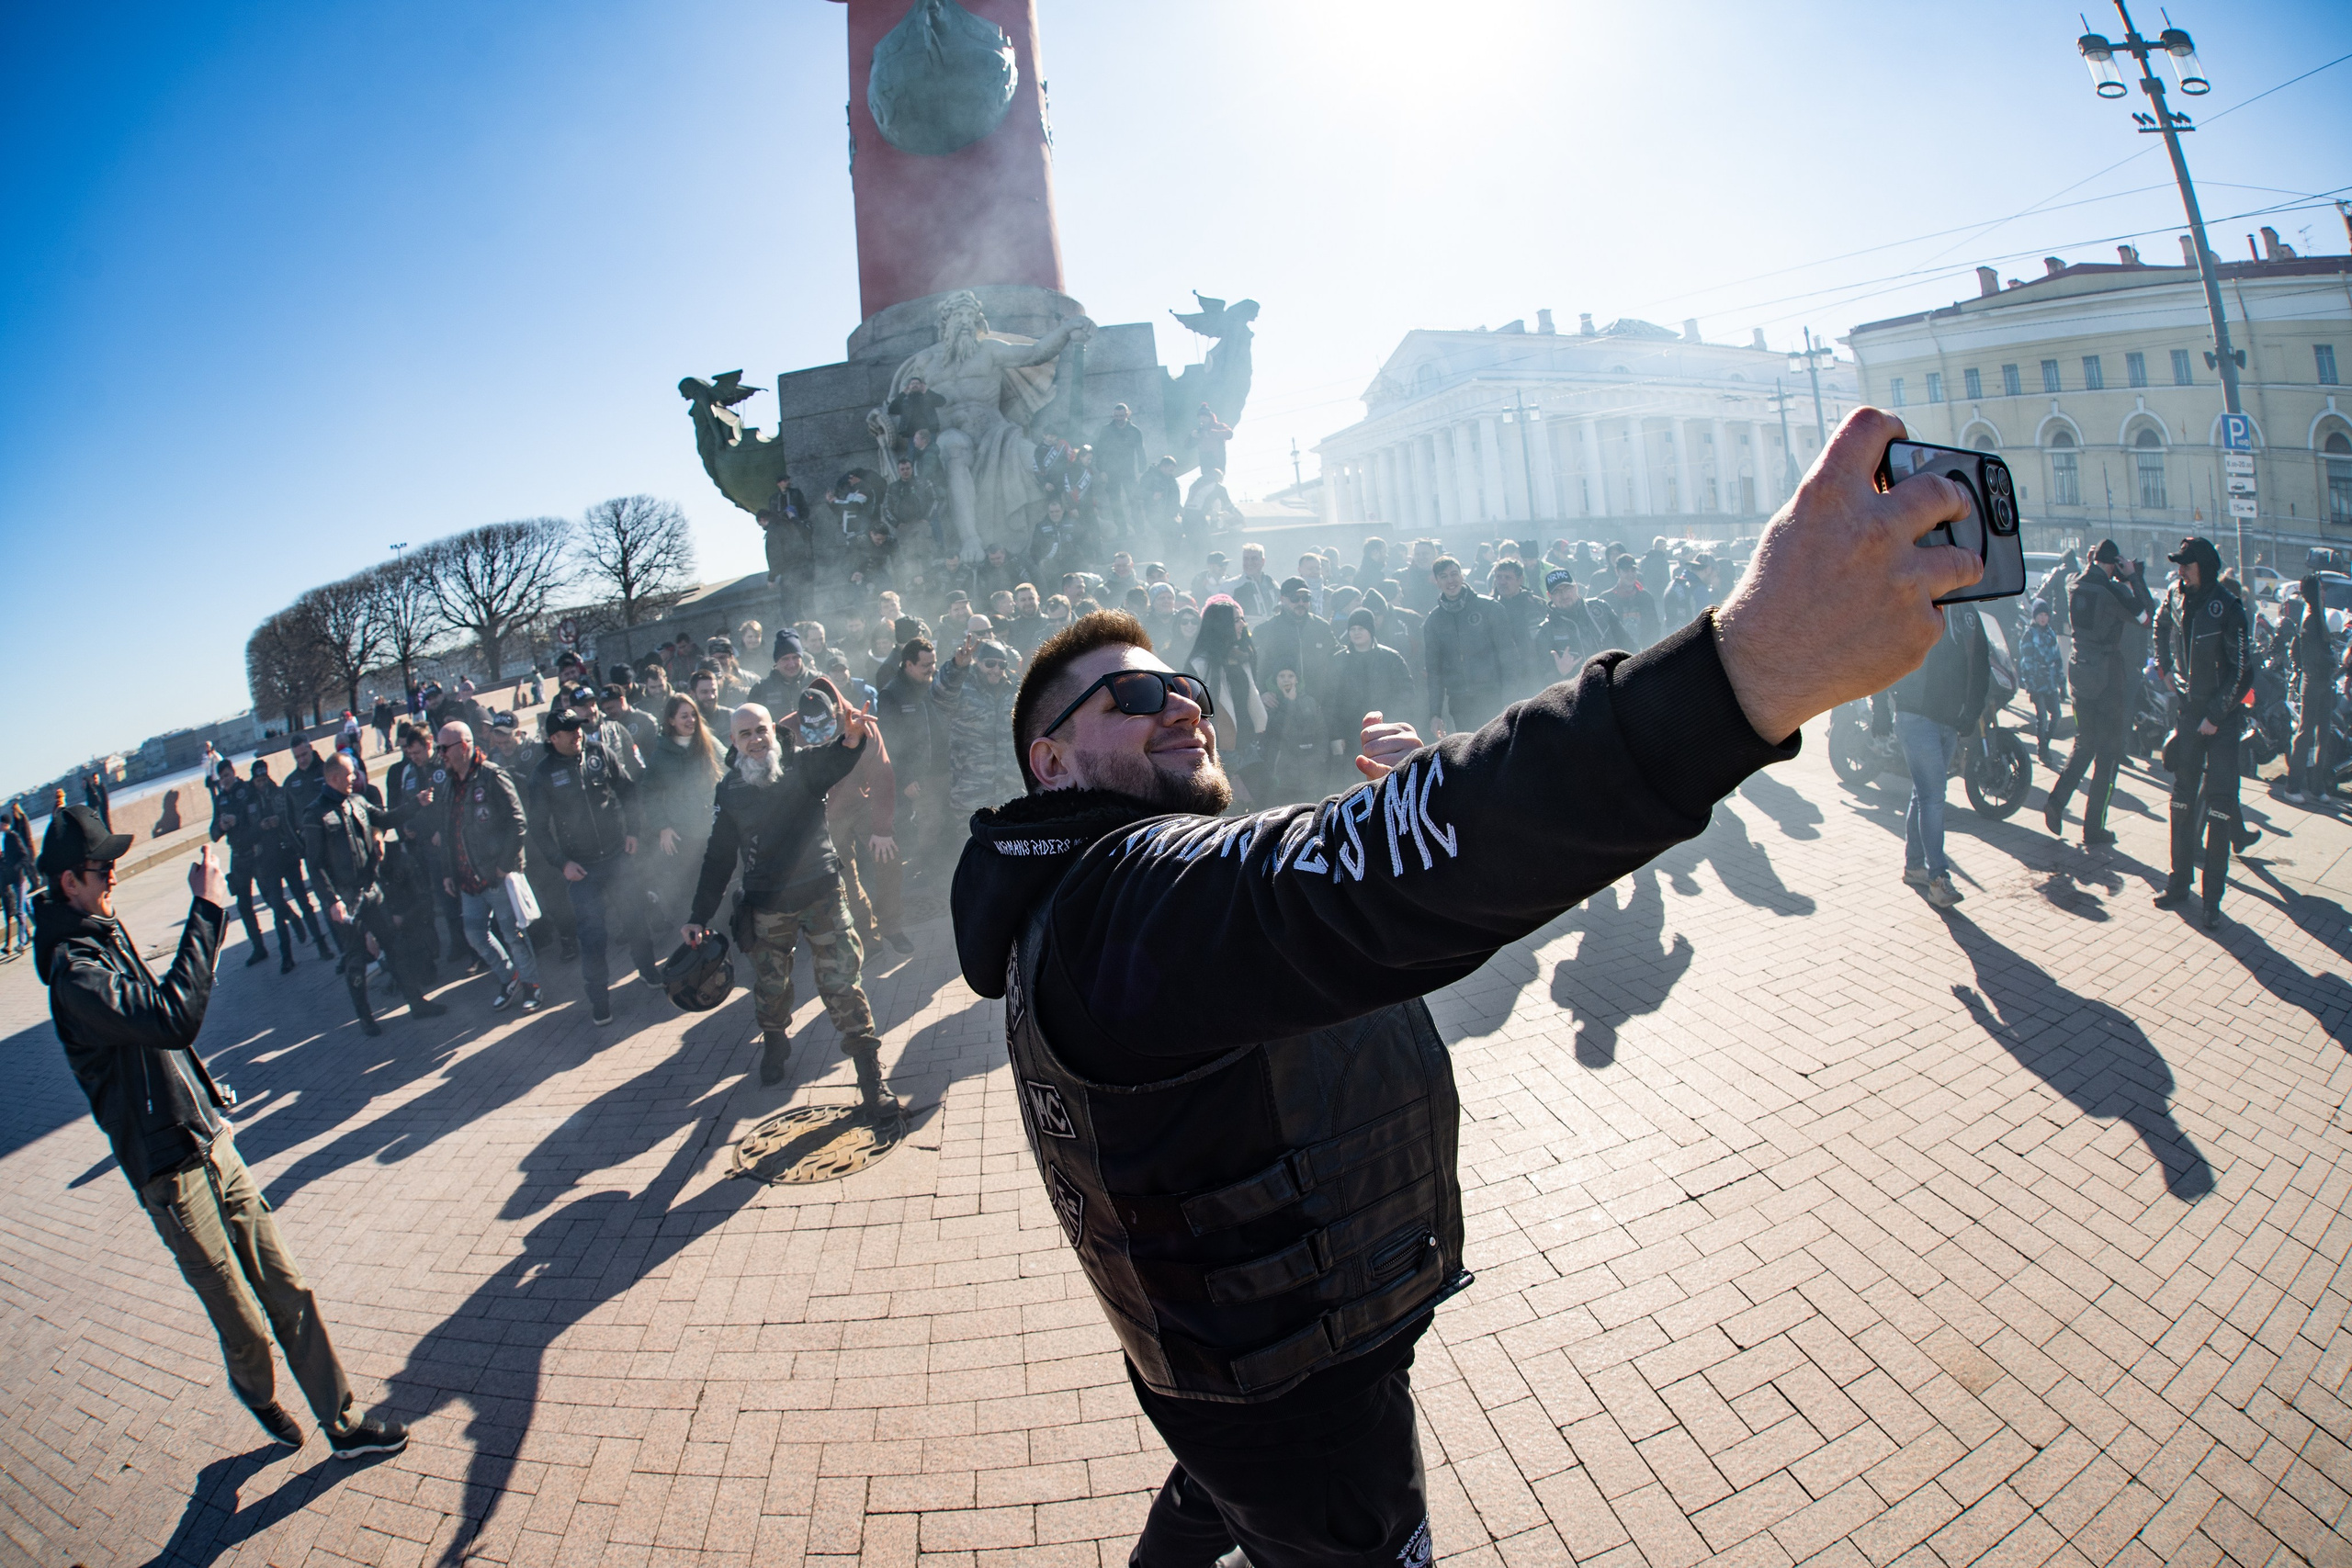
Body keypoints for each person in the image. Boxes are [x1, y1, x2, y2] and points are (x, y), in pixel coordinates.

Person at [947, 411, 1977, 1565]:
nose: (1180, 704)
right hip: (1298, 1399)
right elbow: (1324, 896)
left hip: (1243, 1359)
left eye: (1181, 684)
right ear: (1048, 760)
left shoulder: (1087, 897)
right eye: (1131, 699)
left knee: (1213, 1501)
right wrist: (1744, 671)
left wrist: (1401, 821)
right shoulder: (1121, 903)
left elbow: (1338, 927)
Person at [39, 809, 409, 1459]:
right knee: (244, 1324)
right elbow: (171, 1018)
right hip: (170, 1172)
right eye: (102, 868)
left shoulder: (103, 930)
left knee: (288, 1288)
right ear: (70, 881)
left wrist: (209, 1100)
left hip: (211, 1141)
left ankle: (343, 1422)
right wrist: (207, 911)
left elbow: (164, 1045)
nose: (114, 875)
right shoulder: (76, 973)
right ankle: (256, 1390)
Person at [682, 694, 900, 1108]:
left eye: (761, 730)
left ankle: (871, 1078)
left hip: (822, 895)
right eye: (745, 734)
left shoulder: (802, 765)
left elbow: (837, 759)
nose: (756, 740)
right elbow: (719, 857)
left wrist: (852, 739)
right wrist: (698, 915)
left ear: (774, 731)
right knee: (771, 985)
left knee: (843, 985)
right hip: (766, 906)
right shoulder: (729, 790)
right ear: (733, 741)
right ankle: (775, 1040)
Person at [302, 751, 450, 1035]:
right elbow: (314, 864)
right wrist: (332, 900)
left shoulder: (357, 802)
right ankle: (365, 1018)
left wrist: (415, 804)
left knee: (395, 947)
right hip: (346, 900)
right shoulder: (315, 814)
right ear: (333, 777)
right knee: (355, 960)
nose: (354, 777)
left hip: (371, 890)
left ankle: (416, 1003)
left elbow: (385, 818)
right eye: (349, 774)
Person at [526, 706, 656, 1024]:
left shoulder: (599, 752)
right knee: (593, 937)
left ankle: (649, 971)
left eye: (579, 728)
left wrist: (634, 832)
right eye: (569, 731)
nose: (577, 734)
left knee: (636, 919)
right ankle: (600, 1000)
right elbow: (538, 829)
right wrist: (562, 864)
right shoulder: (542, 774)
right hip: (581, 869)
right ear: (553, 738)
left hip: (616, 856)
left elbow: (628, 790)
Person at [2153, 536, 2252, 927]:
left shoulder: (2229, 607)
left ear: (2205, 568)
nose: (2180, 571)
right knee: (2181, 801)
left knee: (2220, 809)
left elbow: (2243, 672)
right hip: (2188, 713)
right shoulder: (2175, 596)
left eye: (2187, 565)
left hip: (2221, 720)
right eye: (2179, 564)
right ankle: (2178, 883)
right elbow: (2159, 626)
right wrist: (2164, 669)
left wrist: (2215, 715)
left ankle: (2212, 901)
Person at [1870, 604, 1990, 908]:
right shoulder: (1915, 603)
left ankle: (1914, 866)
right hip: (1915, 716)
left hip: (1950, 721)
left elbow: (1981, 662)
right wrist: (1880, 708)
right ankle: (1938, 878)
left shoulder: (1966, 613)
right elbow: (1885, 655)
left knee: (1924, 794)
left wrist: (1972, 711)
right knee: (1933, 797)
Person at [430, 723, 542, 1013]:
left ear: (464, 746)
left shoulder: (492, 776)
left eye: (444, 748)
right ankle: (509, 977)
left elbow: (518, 822)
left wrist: (505, 866)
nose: (440, 754)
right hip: (468, 880)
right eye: (439, 748)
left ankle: (532, 985)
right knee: (475, 935)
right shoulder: (448, 784)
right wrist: (448, 872)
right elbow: (448, 831)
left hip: (496, 876)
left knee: (513, 934)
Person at [2044, 540, 2144, 847]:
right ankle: (2093, 828)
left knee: (2084, 742)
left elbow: (2088, 576)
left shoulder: (2073, 583)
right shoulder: (2110, 591)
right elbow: (2144, 616)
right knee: (2108, 753)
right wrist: (2133, 578)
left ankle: (2056, 801)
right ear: (2113, 564)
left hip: (2079, 669)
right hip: (2107, 677)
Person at [209, 759, 304, 973]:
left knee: (271, 898)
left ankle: (292, 917)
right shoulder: (220, 799)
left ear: (234, 773)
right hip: (238, 857)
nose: (225, 780)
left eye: (227, 775)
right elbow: (213, 833)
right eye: (222, 778)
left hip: (257, 853)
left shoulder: (247, 790)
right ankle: (258, 947)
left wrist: (238, 820)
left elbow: (258, 815)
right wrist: (222, 826)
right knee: (244, 905)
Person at [641, 694, 727, 923]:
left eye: (693, 715)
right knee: (694, 889)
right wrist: (662, 827)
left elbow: (731, 769)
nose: (691, 721)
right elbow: (649, 793)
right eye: (684, 716)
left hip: (717, 829)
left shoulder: (709, 743)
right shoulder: (661, 755)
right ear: (671, 720)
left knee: (723, 883)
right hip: (686, 835)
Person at [876, 637, 954, 880]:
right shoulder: (892, 694)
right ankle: (922, 874)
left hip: (946, 768)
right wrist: (905, 778)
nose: (932, 669)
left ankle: (945, 871)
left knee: (948, 821)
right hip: (919, 776)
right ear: (908, 664)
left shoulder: (936, 685)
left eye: (934, 663)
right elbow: (888, 742)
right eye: (926, 665)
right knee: (928, 824)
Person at [1182, 599, 1268, 807]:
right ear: (1223, 625)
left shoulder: (1243, 658)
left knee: (1265, 801)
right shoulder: (1199, 665)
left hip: (1248, 746)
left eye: (1242, 619)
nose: (1242, 625)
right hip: (1220, 750)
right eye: (1237, 620)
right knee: (1221, 809)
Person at [933, 632, 1024, 815]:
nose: (996, 669)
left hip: (1010, 793)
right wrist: (958, 666)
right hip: (971, 791)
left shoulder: (1015, 688)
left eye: (1002, 665)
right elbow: (941, 695)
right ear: (977, 661)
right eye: (990, 663)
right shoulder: (962, 685)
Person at [1421, 555, 1512, 736]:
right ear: (1437, 582)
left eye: (1454, 574)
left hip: (1493, 696)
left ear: (1462, 576)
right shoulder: (1434, 621)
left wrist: (1510, 699)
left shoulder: (1489, 607)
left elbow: (1509, 657)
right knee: (1471, 750)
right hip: (1460, 702)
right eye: (1444, 576)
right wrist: (1435, 714)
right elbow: (1434, 671)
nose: (1450, 580)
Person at [1329, 607, 1416, 738]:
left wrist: (1392, 723)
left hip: (1386, 729)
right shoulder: (1338, 660)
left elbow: (1405, 692)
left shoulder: (1391, 658)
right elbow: (1331, 700)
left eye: (1361, 628)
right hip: (1350, 732)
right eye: (1352, 629)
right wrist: (1336, 736)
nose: (1356, 633)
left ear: (1370, 629)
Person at [2287, 574, 2334, 803]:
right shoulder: (2310, 618)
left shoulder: (2319, 615)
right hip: (2314, 680)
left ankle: (2318, 786)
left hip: (2323, 681)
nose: (2324, 593)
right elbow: (2311, 654)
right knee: (2306, 734)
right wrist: (2330, 660)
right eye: (2320, 589)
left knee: (2324, 735)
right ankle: (2292, 786)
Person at [1254, 578, 1334, 705]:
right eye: (1295, 598)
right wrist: (1262, 692)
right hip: (1278, 705)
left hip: (1317, 703)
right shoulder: (1265, 630)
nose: (1301, 603)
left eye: (1306, 598)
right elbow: (1254, 666)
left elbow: (1336, 657)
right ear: (1282, 599)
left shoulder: (1321, 627)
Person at [1540, 569, 1629, 675]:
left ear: (1576, 587)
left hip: (1616, 677)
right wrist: (1560, 672)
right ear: (1549, 596)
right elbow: (1540, 678)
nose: (1564, 595)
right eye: (1557, 592)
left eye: (1567, 589)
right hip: (1579, 685)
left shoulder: (1601, 608)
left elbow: (1628, 643)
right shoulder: (1545, 631)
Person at [2018, 599, 2068, 765]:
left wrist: (2062, 683)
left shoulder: (2051, 633)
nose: (2043, 618)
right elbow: (2026, 661)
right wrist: (2030, 683)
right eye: (2040, 615)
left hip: (2050, 682)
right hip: (2036, 683)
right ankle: (2043, 750)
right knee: (2042, 717)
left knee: (2057, 716)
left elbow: (2057, 659)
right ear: (2035, 616)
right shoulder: (2029, 634)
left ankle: (2045, 743)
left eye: (2046, 615)